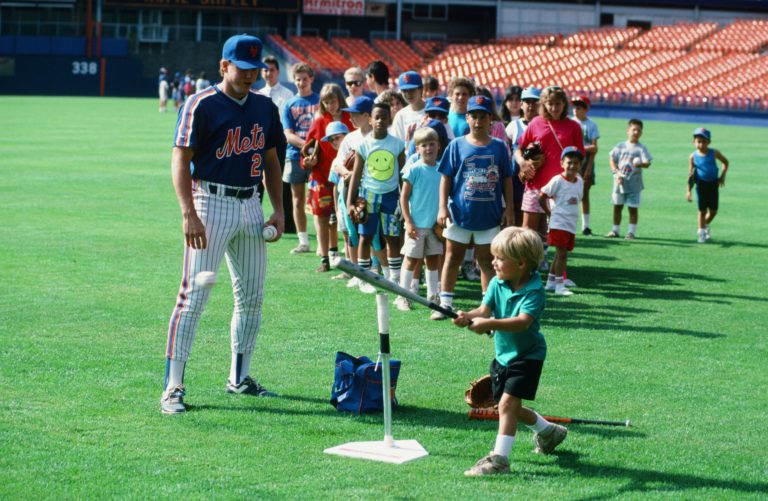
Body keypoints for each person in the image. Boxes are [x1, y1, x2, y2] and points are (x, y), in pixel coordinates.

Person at [161, 34, 286, 415]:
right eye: (242, 69)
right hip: (209, 202)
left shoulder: (265, 107)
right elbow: (180, 159)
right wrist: (188, 212)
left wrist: (280, 210)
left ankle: (239, 377)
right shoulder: (201, 105)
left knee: (251, 297)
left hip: (250, 205)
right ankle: (173, 386)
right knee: (192, 297)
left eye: (255, 70)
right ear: (223, 66)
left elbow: (270, 160)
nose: (250, 76)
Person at [453, 226, 567, 476]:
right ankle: (549, 432)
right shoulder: (497, 283)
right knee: (509, 408)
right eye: (493, 257)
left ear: (522, 263)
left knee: (506, 406)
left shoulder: (534, 291)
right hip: (503, 356)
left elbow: (522, 322)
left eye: (500, 258)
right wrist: (466, 316)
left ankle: (499, 461)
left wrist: (489, 324)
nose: (493, 263)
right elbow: (483, 311)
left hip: (528, 357)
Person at [434, 95, 515, 320]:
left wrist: (508, 209)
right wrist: (442, 207)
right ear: (467, 117)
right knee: (452, 257)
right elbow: (446, 178)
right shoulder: (456, 145)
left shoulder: (499, 147)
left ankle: (486, 307)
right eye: (474, 116)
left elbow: (507, 178)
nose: (478, 121)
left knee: (487, 262)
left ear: (491, 119)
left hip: (488, 214)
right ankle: (445, 304)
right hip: (460, 212)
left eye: (483, 116)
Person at [515, 86, 584, 272]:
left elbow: (580, 156)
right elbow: (519, 148)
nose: (554, 108)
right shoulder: (536, 123)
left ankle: (559, 275)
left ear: (564, 104)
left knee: (561, 233)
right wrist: (523, 163)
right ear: (543, 104)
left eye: (558, 104)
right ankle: (524, 270)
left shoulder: (574, 127)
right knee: (528, 231)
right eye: (550, 104)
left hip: (562, 190)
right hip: (536, 185)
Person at [346, 102, 406, 288]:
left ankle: (395, 278)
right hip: (368, 196)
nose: (380, 120)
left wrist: (404, 202)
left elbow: (403, 175)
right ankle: (365, 279)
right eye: (376, 117)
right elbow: (356, 175)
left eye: (384, 117)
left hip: (390, 197)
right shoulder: (363, 145)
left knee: (392, 237)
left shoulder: (397, 144)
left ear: (390, 119)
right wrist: (349, 202)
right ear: (370, 120)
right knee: (366, 236)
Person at [302, 83, 354, 269]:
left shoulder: (350, 119)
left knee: (344, 216)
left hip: (346, 175)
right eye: (326, 102)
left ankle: (347, 258)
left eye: (333, 100)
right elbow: (307, 149)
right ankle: (325, 258)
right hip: (321, 175)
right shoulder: (319, 121)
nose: (330, 105)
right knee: (322, 216)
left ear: (340, 99)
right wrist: (308, 161)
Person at [395, 127, 443, 311]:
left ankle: (433, 297)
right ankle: (403, 296)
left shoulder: (442, 170)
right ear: (417, 148)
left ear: (438, 146)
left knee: (432, 260)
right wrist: (408, 221)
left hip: (434, 226)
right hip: (416, 225)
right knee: (411, 260)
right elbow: (404, 197)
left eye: (432, 144)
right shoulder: (413, 169)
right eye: (424, 145)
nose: (428, 148)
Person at [331, 96, 374, 284]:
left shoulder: (378, 136)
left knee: (373, 232)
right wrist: (348, 173)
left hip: (372, 189)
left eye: (355, 115)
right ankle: (357, 272)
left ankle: (375, 270)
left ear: (366, 115)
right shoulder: (350, 137)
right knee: (353, 232)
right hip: (350, 190)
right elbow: (337, 164)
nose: (351, 118)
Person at [281, 63, 319, 254]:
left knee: (321, 199)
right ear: (294, 80)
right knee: (297, 199)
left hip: (319, 157)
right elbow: (287, 133)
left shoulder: (320, 101)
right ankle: (303, 241)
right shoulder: (289, 104)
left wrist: (315, 148)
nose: (301, 83)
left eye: (305, 79)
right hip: (295, 155)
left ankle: (323, 241)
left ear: (311, 79)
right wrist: (307, 146)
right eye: (298, 79)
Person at [539, 147, 584, 296]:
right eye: (569, 162)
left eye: (576, 163)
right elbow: (542, 195)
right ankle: (560, 286)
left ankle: (551, 282)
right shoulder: (557, 180)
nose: (572, 166)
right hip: (558, 222)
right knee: (562, 253)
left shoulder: (580, 182)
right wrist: (549, 212)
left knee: (560, 254)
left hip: (570, 223)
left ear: (580, 164)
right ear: (562, 163)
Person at [306, 121, 349, 271]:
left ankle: (366, 266)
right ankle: (330, 260)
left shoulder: (357, 151)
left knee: (355, 234)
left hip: (355, 199)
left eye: (337, 138)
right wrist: (337, 208)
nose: (334, 142)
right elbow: (336, 186)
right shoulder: (336, 160)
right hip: (328, 189)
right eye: (331, 140)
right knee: (343, 231)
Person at [606, 118, 652, 240]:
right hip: (619, 183)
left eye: (639, 130)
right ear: (628, 130)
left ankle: (631, 233)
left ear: (641, 133)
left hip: (634, 185)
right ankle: (615, 230)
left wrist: (640, 164)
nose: (636, 132)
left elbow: (648, 163)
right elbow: (612, 159)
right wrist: (615, 173)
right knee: (617, 207)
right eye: (633, 129)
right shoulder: (620, 146)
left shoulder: (641, 148)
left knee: (633, 208)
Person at [686, 127, 729, 243]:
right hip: (701, 185)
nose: (701, 144)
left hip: (713, 184)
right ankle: (701, 233)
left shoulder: (714, 153)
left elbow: (725, 162)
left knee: (714, 211)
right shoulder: (693, 157)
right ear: (693, 142)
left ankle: (705, 226)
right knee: (702, 210)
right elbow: (690, 175)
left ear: (709, 142)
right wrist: (688, 190)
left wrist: (722, 175)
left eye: (704, 141)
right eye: (698, 141)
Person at [506, 86, 540, 228]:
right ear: (521, 104)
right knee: (516, 213)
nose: (530, 105)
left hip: (538, 178)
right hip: (516, 179)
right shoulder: (514, 125)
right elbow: (506, 149)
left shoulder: (543, 125)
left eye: (534, 101)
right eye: (527, 101)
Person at [570, 95, 600, 236]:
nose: (576, 110)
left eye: (579, 107)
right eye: (575, 107)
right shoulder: (569, 123)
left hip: (586, 164)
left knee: (584, 195)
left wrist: (588, 168)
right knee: (568, 194)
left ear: (585, 109)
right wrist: (584, 147)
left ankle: (585, 226)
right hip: (569, 165)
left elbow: (594, 148)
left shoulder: (591, 125)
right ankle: (569, 224)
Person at [391, 71, 426, 147]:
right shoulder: (400, 116)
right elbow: (397, 146)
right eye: (404, 91)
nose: (408, 94)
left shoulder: (433, 110)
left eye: (412, 90)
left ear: (421, 89)